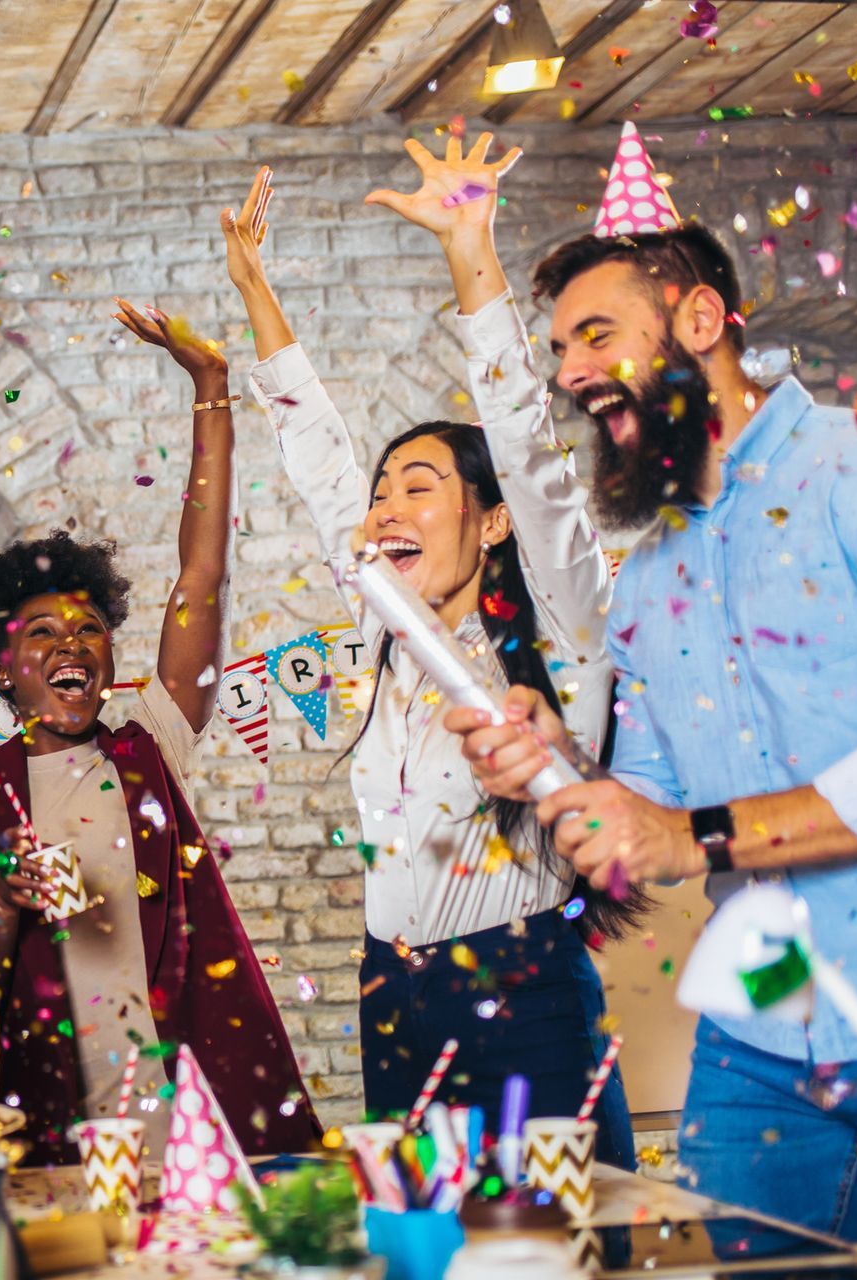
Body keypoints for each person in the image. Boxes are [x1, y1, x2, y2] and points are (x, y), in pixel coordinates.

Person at [443, 217, 857, 1242]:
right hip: (761, 1036)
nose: (572, 373)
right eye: (560, 350)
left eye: (597, 335)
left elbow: (679, 831)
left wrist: (683, 835)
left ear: (702, 319)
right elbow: (650, 809)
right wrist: (553, 765)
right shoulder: (649, 578)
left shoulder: (846, 473)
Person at [221, 140, 636, 1164]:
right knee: (430, 1238)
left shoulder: (564, 624)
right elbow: (318, 458)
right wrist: (252, 287)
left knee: (564, 1234)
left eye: (419, 486)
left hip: (525, 994)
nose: (384, 508)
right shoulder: (386, 621)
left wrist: (468, 246)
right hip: (394, 993)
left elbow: (526, 448)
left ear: (491, 521)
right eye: (382, 494)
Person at [0, 299, 318, 1165]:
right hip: (62, 1129)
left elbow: (202, 575)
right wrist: (1, 902)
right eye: (41, 634)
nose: (72, 644)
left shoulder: (153, 747)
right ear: (1, 668)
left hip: (206, 1119)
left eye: (90, 630)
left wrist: (210, 386)